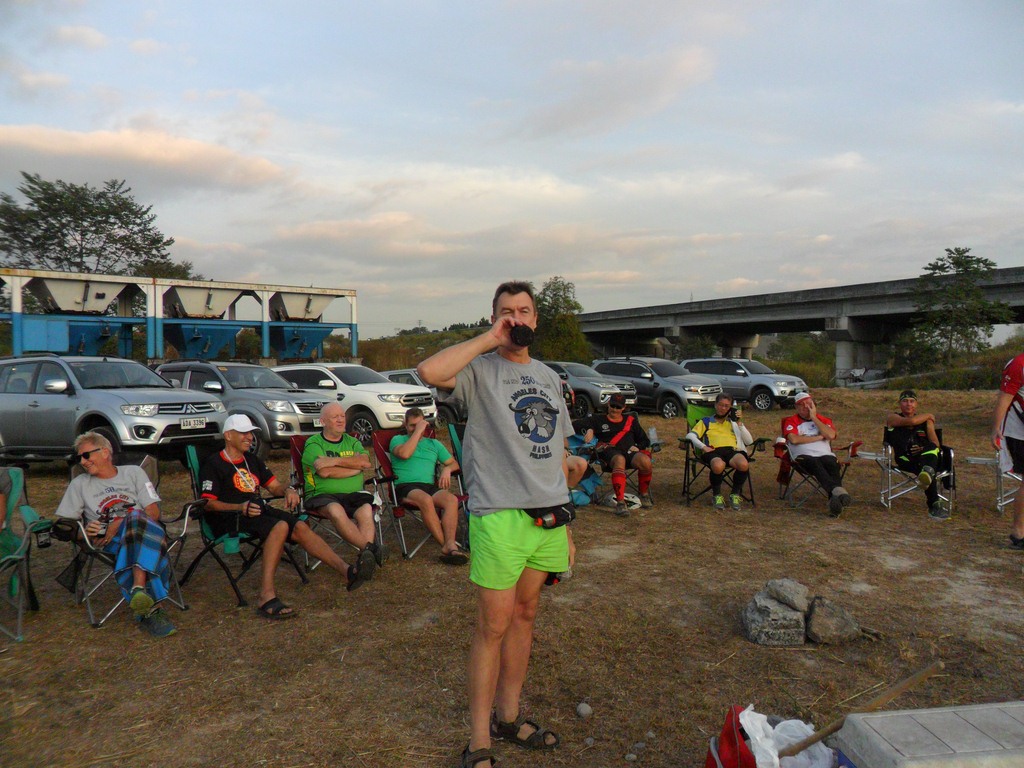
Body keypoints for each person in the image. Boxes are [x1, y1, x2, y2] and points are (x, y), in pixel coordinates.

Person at [418, 280, 569, 768]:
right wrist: (490, 339)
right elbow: (428, 371)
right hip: (499, 513)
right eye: (507, 312)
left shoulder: (548, 376)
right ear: (495, 317)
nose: (517, 319)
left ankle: (509, 716)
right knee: (493, 626)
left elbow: (558, 452)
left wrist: (567, 525)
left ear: (536, 319)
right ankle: (479, 741)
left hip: (548, 516)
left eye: (524, 311)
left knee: (525, 616)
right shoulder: (478, 371)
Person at [200, 414, 374, 619]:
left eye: (251, 433)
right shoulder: (214, 464)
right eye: (243, 433)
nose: (249, 437)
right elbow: (208, 503)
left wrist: (288, 490)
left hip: (257, 511)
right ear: (228, 435)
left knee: (299, 527)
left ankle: (347, 571)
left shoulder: (252, 460)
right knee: (280, 526)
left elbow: (274, 487)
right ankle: (266, 597)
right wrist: (240, 506)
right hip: (229, 516)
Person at [54, 432, 176, 637]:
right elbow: (65, 525)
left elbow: (154, 513)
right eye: (79, 457)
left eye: (86, 455)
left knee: (136, 518)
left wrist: (119, 522)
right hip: (111, 540)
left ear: (105, 452)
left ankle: (140, 592)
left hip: (147, 530)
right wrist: (84, 533)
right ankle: (146, 599)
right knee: (141, 534)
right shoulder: (80, 484)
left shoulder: (134, 473)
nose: (82, 462)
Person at [302, 401, 386, 567]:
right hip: (322, 495)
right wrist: (354, 468)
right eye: (335, 417)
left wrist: (333, 461)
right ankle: (370, 549)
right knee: (336, 510)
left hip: (353, 494)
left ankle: (364, 560)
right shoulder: (314, 444)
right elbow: (325, 472)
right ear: (323, 421)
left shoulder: (352, 441)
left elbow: (365, 463)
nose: (341, 420)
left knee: (366, 510)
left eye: (342, 416)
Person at [389, 407, 467, 565]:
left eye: (419, 425)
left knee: (451, 500)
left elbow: (454, 463)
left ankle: (450, 543)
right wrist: (418, 431)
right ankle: (447, 547)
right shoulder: (397, 440)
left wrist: (447, 469)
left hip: (428, 486)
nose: (415, 428)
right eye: (412, 425)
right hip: (405, 486)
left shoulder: (434, 443)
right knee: (425, 499)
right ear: (405, 425)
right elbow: (405, 454)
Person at [579, 392, 654, 515]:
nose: (614, 409)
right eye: (612, 405)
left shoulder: (631, 421)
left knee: (645, 461)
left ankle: (643, 494)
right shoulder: (598, 419)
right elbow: (576, 424)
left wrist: (638, 447)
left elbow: (645, 440)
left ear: (624, 407)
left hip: (629, 452)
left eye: (618, 407)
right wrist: (590, 428)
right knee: (620, 459)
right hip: (608, 453)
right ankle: (620, 503)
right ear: (608, 404)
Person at [783, 391, 851, 516]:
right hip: (802, 458)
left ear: (814, 405)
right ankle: (837, 492)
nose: (806, 407)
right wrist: (819, 437)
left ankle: (835, 501)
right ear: (796, 407)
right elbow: (794, 439)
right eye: (802, 405)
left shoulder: (823, 420)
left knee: (832, 463)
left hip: (825, 455)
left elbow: (830, 435)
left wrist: (814, 418)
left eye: (809, 403)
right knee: (814, 463)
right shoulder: (791, 421)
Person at [885, 389, 947, 520]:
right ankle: (934, 504)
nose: (909, 404)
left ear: (916, 404)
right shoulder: (893, 418)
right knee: (926, 468)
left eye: (912, 401)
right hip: (905, 459)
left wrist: (923, 448)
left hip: (924, 457)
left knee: (931, 450)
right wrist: (929, 415)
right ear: (900, 404)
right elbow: (911, 422)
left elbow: (936, 443)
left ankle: (928, 479)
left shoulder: (926, 422)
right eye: (905, 401)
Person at [685, 393, 753, 510]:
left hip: (732, 451)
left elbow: (749, 441)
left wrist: (739, 423)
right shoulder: (706, 421)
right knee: (718, 465)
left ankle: (735, 494)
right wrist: (703, 447)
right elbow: (690, 436)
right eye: (721, 405)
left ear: (730, 408)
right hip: (713, 451)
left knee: (743, 464)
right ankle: (717, 495)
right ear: (715, 405)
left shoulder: (733, 423)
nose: (723, 408)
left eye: (727, 406)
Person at [992, 352, 1024, 549]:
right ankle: (1018, 532)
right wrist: (996, 428)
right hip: (1019, 431)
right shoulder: (1019, 364)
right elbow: (1004, 398)